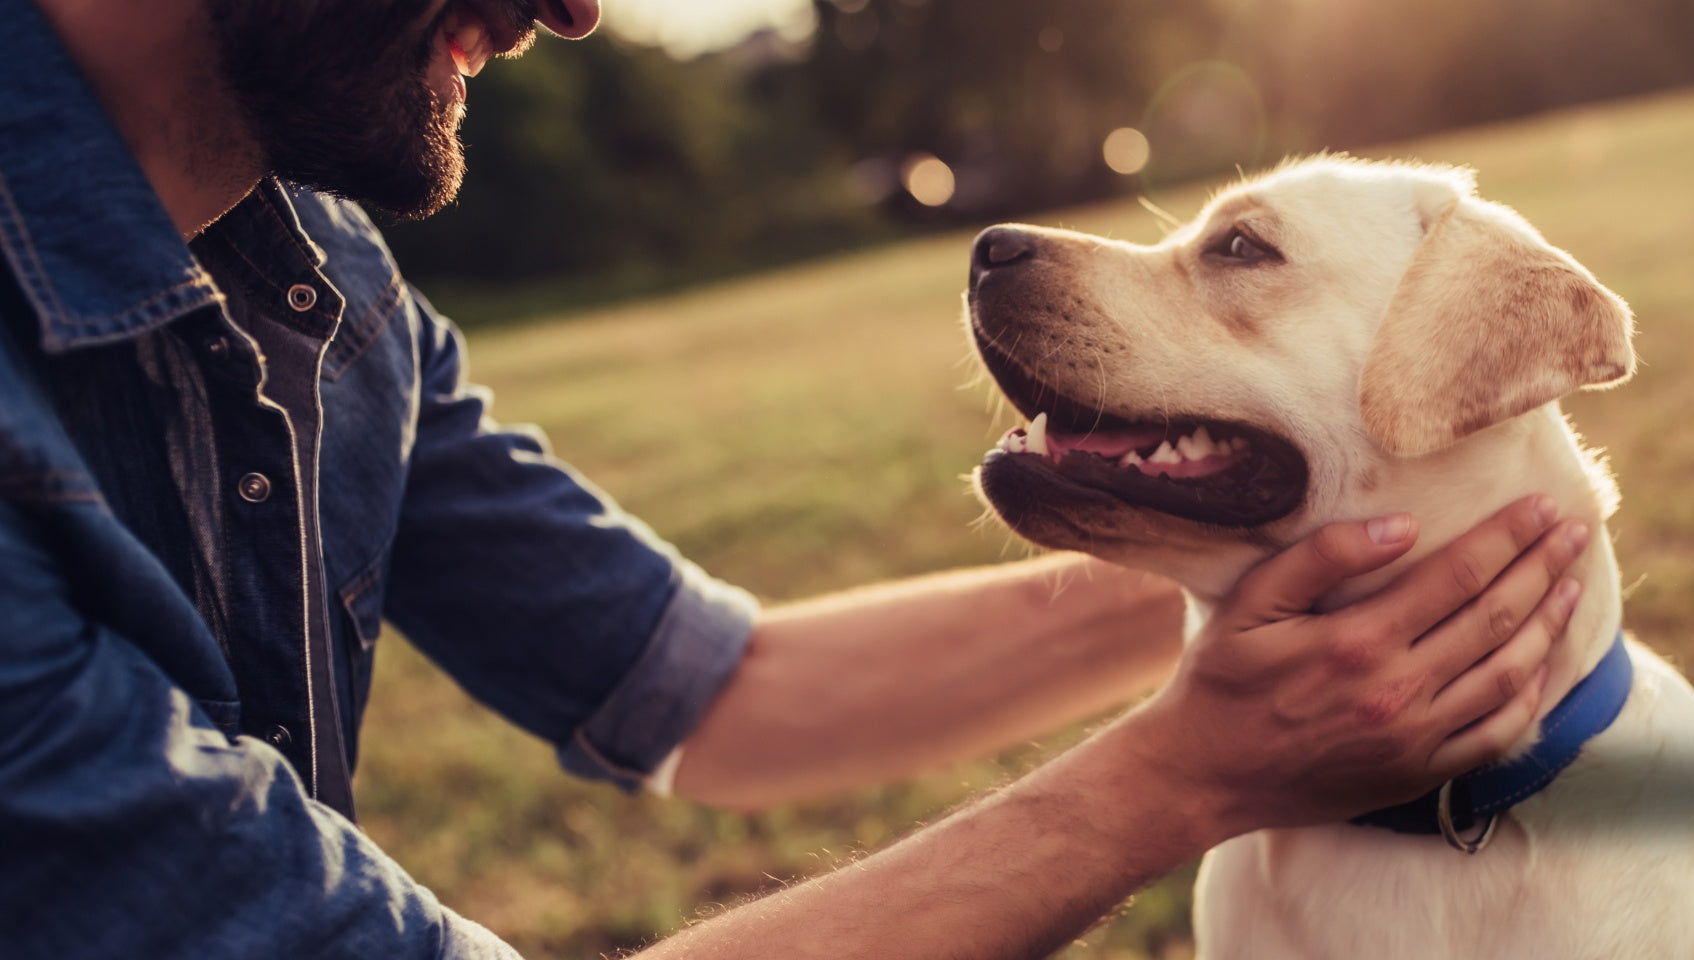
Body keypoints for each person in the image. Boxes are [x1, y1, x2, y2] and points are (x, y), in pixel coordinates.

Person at [0, 0, 1592, 956]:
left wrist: (1330, 564)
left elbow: (723, 692)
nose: (576, 9)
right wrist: (1187, 772)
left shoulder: (321, 289)